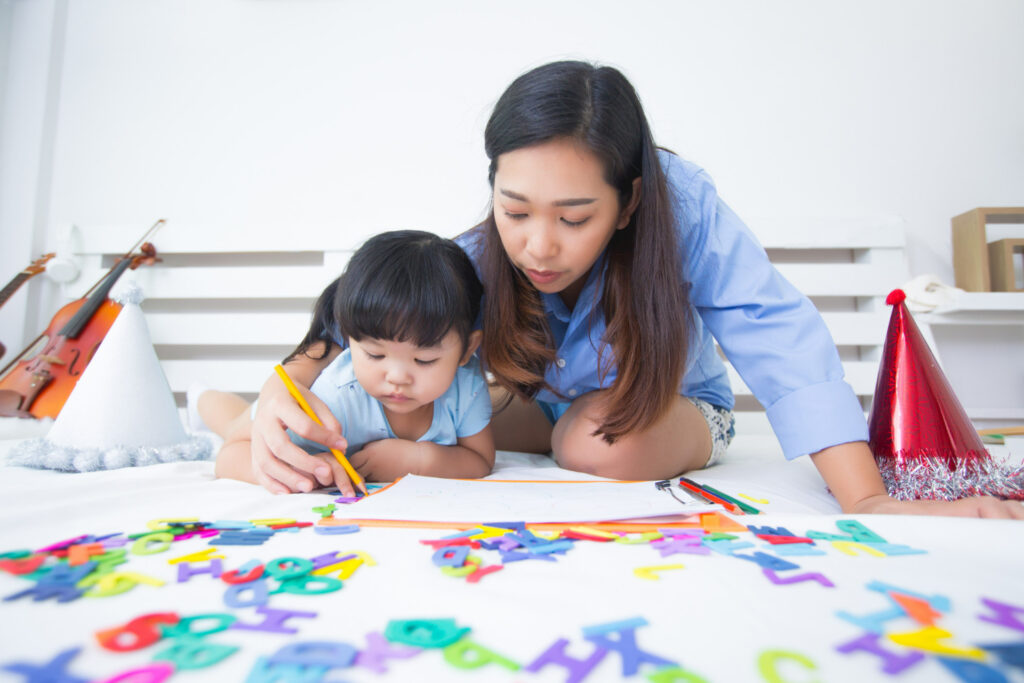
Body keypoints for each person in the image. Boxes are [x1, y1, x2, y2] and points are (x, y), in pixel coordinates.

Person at [248, 61, 1022, 519]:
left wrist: (866, 501)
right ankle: (221, 416)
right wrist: (284, 387)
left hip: (677, 413)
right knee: (406, 397)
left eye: (574, 216)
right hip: (545, 412)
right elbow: (378, 303)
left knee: (586, 439)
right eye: (514, 210)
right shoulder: (483, 251)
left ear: (631, 200)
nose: (537, 245)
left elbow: (774, 331)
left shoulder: (683, 206)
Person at [200, 230, 495, 495]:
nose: (397, 377)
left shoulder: (466, 387)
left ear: (467, 349)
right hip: (274, 411)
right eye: (375, 355)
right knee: (231, 424)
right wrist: (307, 467)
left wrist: (418, 460)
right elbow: (230, 456)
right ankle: (202, 397)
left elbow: (480, 459)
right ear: (348, 339)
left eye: (424, 359)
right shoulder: (332, 399)